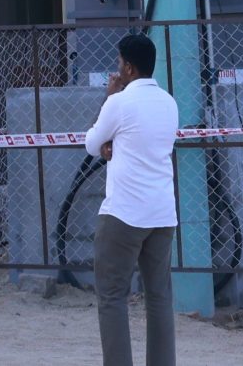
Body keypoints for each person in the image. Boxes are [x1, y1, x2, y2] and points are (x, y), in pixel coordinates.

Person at [85, 33, 177, 366]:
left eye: (119, 62)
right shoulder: (169, 102)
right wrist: (112, 144)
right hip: (162, 213)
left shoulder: (119, 102)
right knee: (159, 297)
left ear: (128, 68)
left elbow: (91, 142)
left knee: (111, 297)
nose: (117, 67)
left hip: (123, 214)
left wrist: (109, 98)